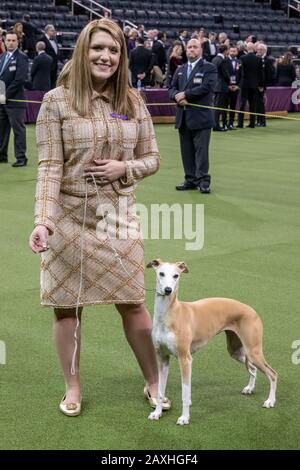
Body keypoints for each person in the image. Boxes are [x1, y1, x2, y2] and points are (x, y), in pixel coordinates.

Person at [28, 19, 171, 417]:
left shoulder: (133, 101)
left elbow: (153, 158)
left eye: (113, 50)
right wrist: (44, 221)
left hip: (118, 217)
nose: (105, 56)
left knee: (133, 303)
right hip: (69, 218)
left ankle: (153, 381)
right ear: (82, 51)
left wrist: (123, 169)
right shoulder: (56, 101)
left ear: (121, 56)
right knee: (66, 308)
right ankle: (72, 386)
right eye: (97, 48)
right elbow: (50, 167)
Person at [169, 38, 217, 194]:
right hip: (183, 117)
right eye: (189, 47)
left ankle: (203, 181)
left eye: (195, 47)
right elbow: (171, 88)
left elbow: (207, 87)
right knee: (186, 152)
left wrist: (185, 95)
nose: (191, 49)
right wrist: (176, 95)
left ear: (201, 50)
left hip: (201, 117)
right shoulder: (180, 69)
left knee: (201, 152)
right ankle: (190, 179)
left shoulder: (209, 68)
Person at [0, 31, 28, 166]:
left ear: (17, 42)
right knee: (2, 129)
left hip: (15, 101)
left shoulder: (21, 57)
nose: (10, 42)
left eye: (13, 40)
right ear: (4, 42)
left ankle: (21, 158)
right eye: (8, 40)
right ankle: (2, 155)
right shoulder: (2, 56)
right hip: (2, 101)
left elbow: (19, 80)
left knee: (18, 130)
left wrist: (4, 95)